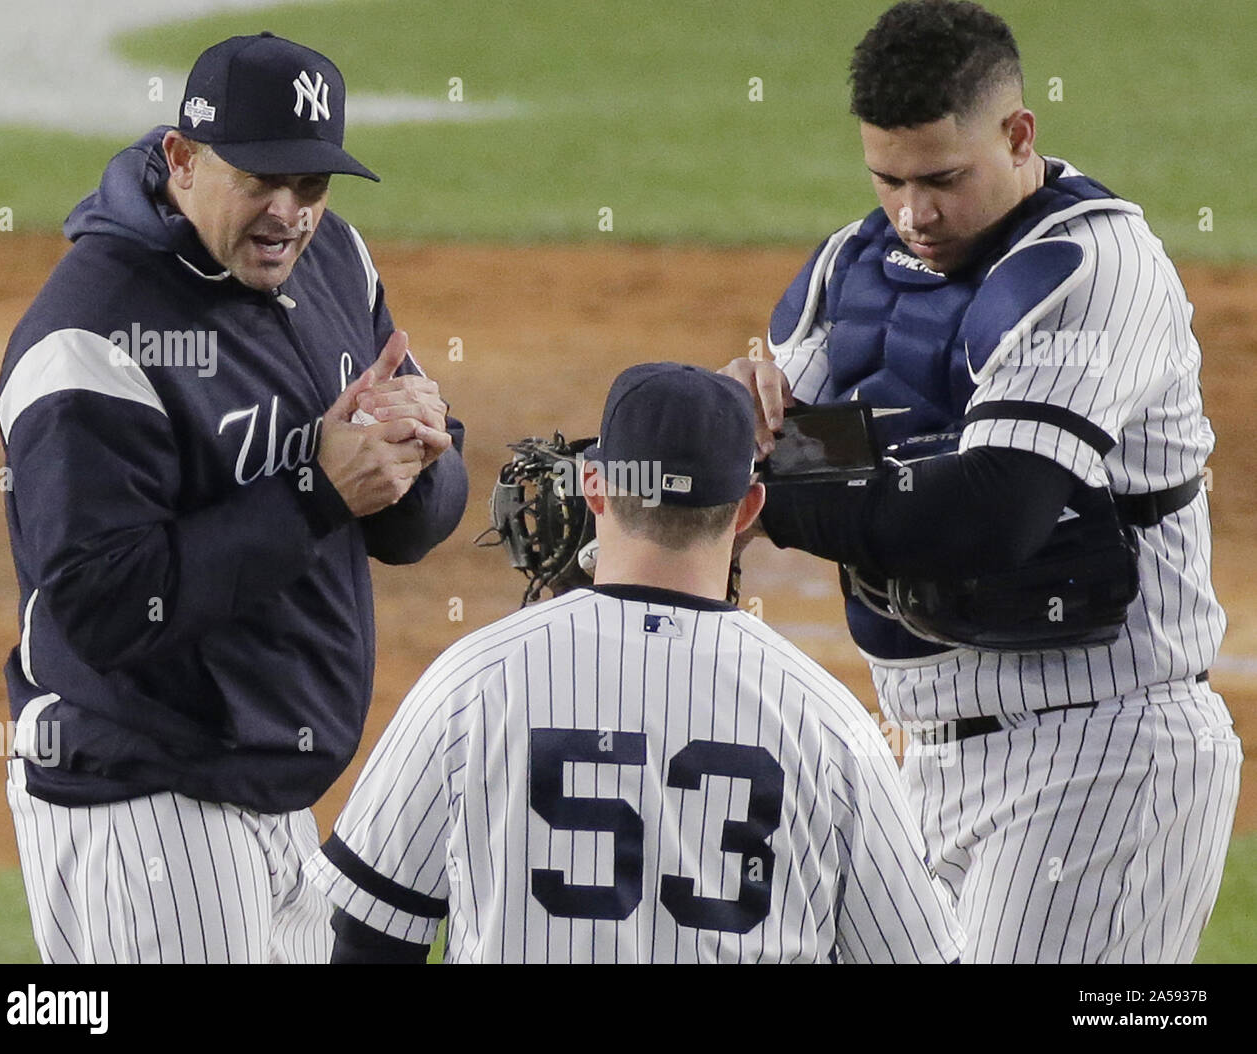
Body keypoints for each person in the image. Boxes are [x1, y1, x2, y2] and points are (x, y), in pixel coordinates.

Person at [721, 0, 1241, 963]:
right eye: (889, 180)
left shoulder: (1093, 267)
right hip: (917, 762)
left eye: (944, 179)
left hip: (1099, 757)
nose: (915, 213)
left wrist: (766, 492)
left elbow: (993, 513)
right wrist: (677, 433)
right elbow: (755, 448)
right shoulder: (854, 268)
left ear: (1018, 134)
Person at [0, 32, 467, 963]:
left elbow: (416, 521)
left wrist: (418, 458)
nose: (290, 213)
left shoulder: (333, 262)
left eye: (312, 185)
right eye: (260, 180)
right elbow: (100, 606)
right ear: (183, 158)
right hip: (146, 806)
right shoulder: (91, 336)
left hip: (272, 797)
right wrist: (314, 491)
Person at [305, 362, 965, 963]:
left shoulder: (470, 683)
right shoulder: (832, 725)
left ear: (594, 488)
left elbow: (366, 935)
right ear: (748, 510)